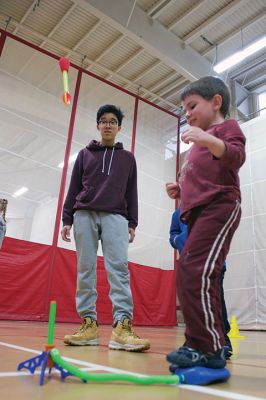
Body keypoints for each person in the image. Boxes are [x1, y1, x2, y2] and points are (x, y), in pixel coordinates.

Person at [165, 76, 246, 370]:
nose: (186, 114)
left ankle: (205, 346)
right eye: (184, 109)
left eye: (192, 106)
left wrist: (207, 139)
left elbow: (235, 157)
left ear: (215, 102)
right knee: (196, 274)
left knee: (194, 271)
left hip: (221, 205)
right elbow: (199, 175)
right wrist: (180, 187)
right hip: (199, 212)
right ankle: (205, 343)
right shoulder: (200, 142)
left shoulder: (226, 129)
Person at [61, 104, 150, 352]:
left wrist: (132, 222)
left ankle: (122, 327)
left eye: (113, 121)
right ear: (98, 126)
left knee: (119, 270)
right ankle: (88, 326)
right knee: (85, 269)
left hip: (116, 217)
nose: (108, 124)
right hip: (84, 215)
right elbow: (73, 187)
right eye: (103, 120)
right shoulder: (84, 154)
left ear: (119, 127)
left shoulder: (127, 158)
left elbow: (132, 191)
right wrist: (67, 218)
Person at [169, 207, 232, 359]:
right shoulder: (177, 214)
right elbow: (173, 234)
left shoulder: (209, 205)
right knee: (193, 304)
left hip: (213, 262)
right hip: (190, 264)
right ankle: (195, 342)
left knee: (215, 301)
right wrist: (178, 240)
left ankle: (223, 340)